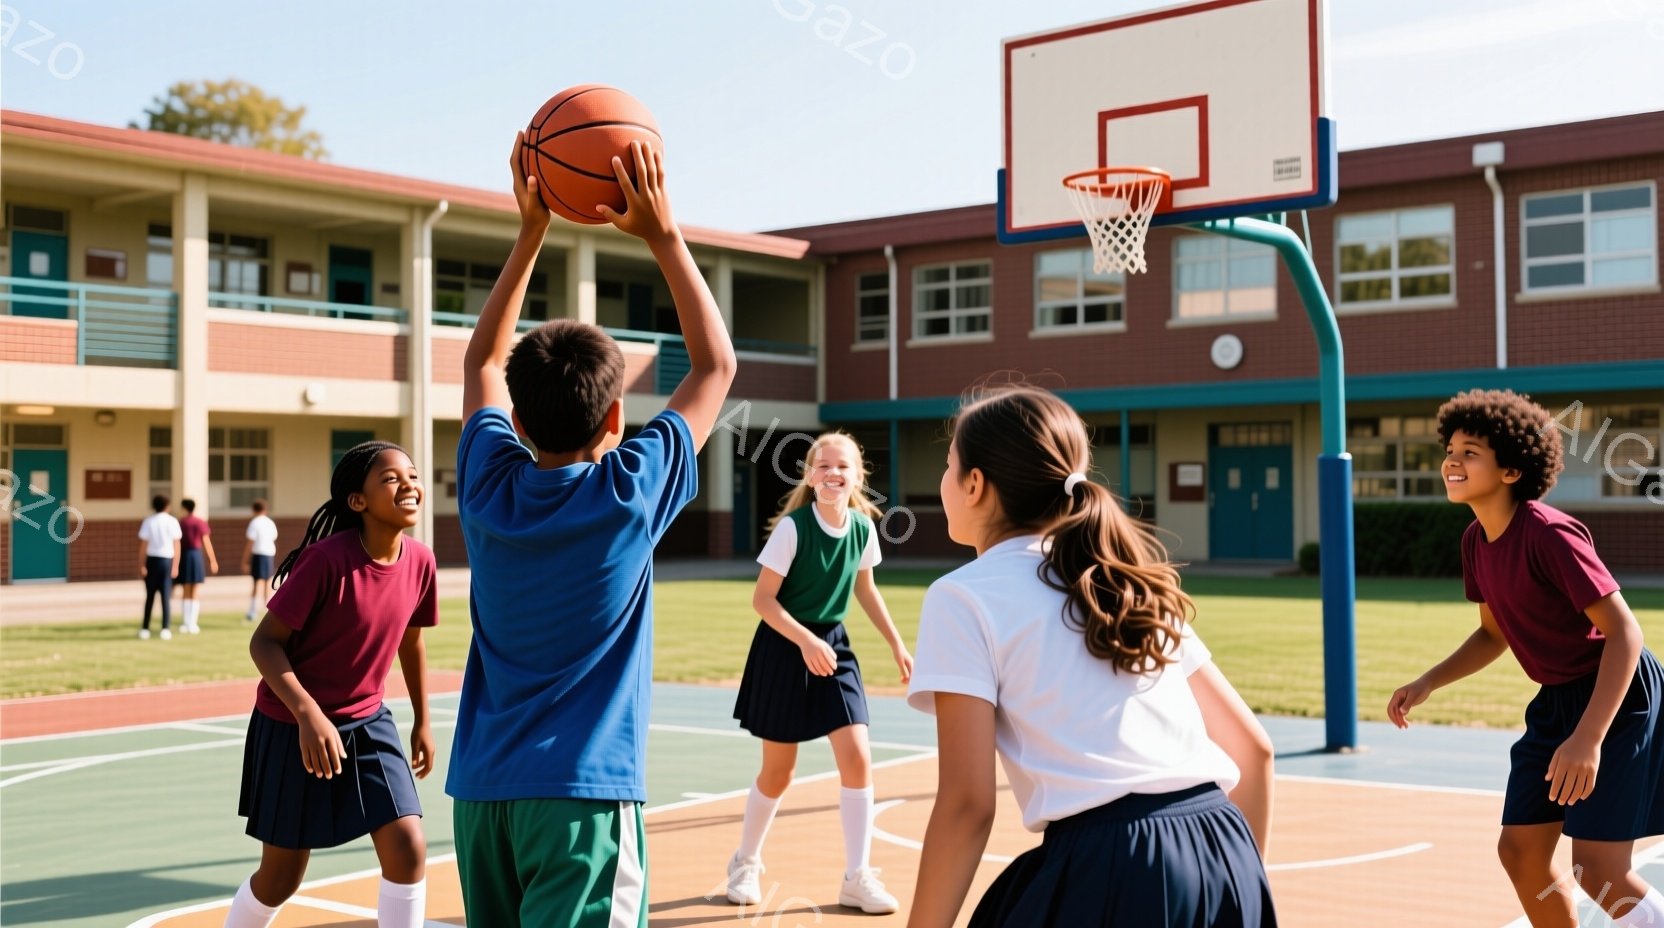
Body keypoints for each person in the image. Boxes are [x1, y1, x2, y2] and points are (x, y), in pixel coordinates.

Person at [445, 136, 735, 926]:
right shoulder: (627, 493)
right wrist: (663, 234)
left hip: (482, 798)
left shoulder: (488, 486)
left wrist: (530, 230)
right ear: (614, 419)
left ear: (518, 420)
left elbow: (480, 364)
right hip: (583, 798)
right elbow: (715, 368)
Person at [906, 384, 1277, 928]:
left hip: (1116, 865)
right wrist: (1237, 881)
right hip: (1225, 851)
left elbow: (968, 806)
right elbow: (1253, 750)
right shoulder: (1127, 581)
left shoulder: (962, 596)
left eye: (947, 464)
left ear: (975, 485)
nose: (944, 478)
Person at [1388, 389, 1662, 928]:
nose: (1452, 460)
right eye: (1450, 450)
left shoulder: (1550, 534)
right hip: (1556, 701)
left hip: (1615, 696)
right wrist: (1428, 682)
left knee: (1597, 869)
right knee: (1520, 853)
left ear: (1511, 471)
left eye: (1470, 453)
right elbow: (1492, 634)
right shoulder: (1476, 541)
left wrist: (1588, 738)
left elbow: (1625, 633)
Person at [223, 440, 438, 928]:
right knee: (281, 876)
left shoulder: (421, 562)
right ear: (358, 501)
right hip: (290, 726)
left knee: (408, 846)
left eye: (412, 475)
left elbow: (411, 643)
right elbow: (264, 643)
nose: (408, 484)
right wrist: (307, 713)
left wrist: (423, 721)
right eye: (390, 478)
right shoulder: (325, 561)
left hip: (368, 720)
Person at [725, 431, 914, 914]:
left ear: (858, 477)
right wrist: (805, 641)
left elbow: (866, 590)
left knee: (858, 757)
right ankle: (745, 862)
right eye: (824, 466)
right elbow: (762, 600)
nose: (833, 473)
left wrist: (897, 644)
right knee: (779, 772)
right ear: (810, 476)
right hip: (785, 645)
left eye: (843, 466)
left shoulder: (863, 529)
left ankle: (857, 878)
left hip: (833, 645)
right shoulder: (793, 529)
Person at [137, 494, 182, 640]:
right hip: (166, 561)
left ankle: (145, 628)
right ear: (167, 506)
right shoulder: (172, 521)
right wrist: (175, 566)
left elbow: (143, 546)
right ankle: (165, 628)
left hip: (152, 561)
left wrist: (142, 564)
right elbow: (177, 545)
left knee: (150, 596)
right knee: (165, 597)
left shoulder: (148, 521)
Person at [175, 498, 219, 634]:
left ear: (184, 508)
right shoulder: (200, 522)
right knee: (195, 589)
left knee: (186, 589)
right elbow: (206, 542)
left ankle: (186, 622)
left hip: (184, 555)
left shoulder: (181, 522)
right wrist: (212, 560)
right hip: (195, 555)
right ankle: (192, 623)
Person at [242, 498, 279, 622]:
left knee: (256, 582)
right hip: (269, 554)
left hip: (258, 554)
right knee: (267, 583)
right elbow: (274, 537)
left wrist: (245, 560)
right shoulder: (270, 522)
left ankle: (252, 611)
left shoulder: (255, 523)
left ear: (254, 510)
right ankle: (268, 610)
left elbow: (250, 542)